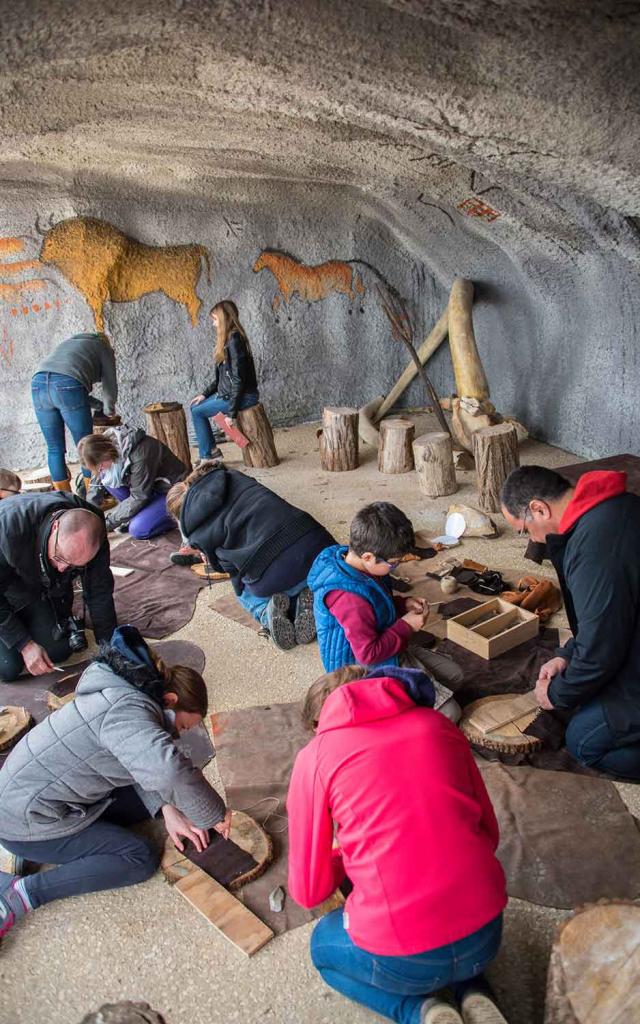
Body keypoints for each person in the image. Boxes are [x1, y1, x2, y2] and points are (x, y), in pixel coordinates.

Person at [287, 664, 508, 1024]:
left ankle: (420, 1012)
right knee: (454, 926)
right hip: (487, 933)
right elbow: (490, 834)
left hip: (403, 959)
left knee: (322, 950)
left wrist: (346, 855)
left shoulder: (315, 757)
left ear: (318, 725)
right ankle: (475, 992)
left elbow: (309, 892)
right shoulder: (437, 725)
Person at [0, 624, 230, 940]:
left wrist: (167, 809)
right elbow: (169, 770)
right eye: (184, 726)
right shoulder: (128, 715)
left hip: (22, 795)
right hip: (28, 821)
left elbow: (135, 761)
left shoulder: (123, 690)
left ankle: (22, 852)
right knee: (138, 858)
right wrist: (217, 816)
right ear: (171, 699)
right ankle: (21, 894)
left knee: (148, 800)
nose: (180, 735)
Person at [501, 464, 640, 781]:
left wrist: (556, 694)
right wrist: (567, 654)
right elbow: (606, 618)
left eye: (524, 529)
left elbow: (600, 654)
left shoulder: (594, 549)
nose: (532, 540)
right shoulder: (612, 508)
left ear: (538, 508)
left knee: (584, 742)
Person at [308, 502, 462, 720]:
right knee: (451, 713)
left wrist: (401, 605)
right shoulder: (349, 599)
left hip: (384, 648)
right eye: (393, 563)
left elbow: (376, 605)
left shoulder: (358, 564)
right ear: (368, 557)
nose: (395, 568)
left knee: (455, 676)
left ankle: (409, 711)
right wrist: (406, 626)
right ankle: (394, 727)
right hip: (360, 671)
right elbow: (368, 655)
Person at [167, 461, 335, 650]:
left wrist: (207, 553)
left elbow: (228, 569)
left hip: (277, 570)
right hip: (318, 541)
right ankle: (311, 598)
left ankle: (266, 613)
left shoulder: (196, 529)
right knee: (302, 569)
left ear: (181, 517)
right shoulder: (234, 478)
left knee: (243, 592)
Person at [0, 492, 116, 682]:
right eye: (60, 557)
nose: (63, 568)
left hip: (36, 582)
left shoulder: (93, 528)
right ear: (55, 527)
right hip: (7, 582)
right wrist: (24, 644)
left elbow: (99, 590)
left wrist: (109, 647)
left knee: (59, 649)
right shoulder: (7, 530)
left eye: (73, 566)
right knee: (8, 667)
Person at [31, 332, 118, 492]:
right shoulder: (103, 347)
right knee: (86, 445)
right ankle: (93, 497)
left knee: (54, 447)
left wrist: (98, 406)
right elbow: (109, 385)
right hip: (67, 384)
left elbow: (70, 389)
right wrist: (109, 410)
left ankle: (65, 498)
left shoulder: (68, 344)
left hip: (38, 384)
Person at [78, 427, 187, 539]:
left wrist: (107, 524)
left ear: (106, 455)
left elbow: (139, 496)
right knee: (106, 479)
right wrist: (90, 518)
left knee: (138, 529)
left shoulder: (141, 455)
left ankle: (176, 516)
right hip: (147, 488)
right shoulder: (103, 449)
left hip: (169, 492)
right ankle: (140, 513)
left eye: (99, 467)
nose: (98, 470)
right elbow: (97, 481)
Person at [190, 300, 259, 461]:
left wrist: (232, 413)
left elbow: (238, 379)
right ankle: (215, 448)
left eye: (215, 320)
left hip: (245, 395)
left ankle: (208, 456)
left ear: (224, 319)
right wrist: (204, 394)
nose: (214, 324)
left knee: (198, 412)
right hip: (229, 393)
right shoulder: (227, 341)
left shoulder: (235, 340)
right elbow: (221, 379)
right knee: (196, 405)